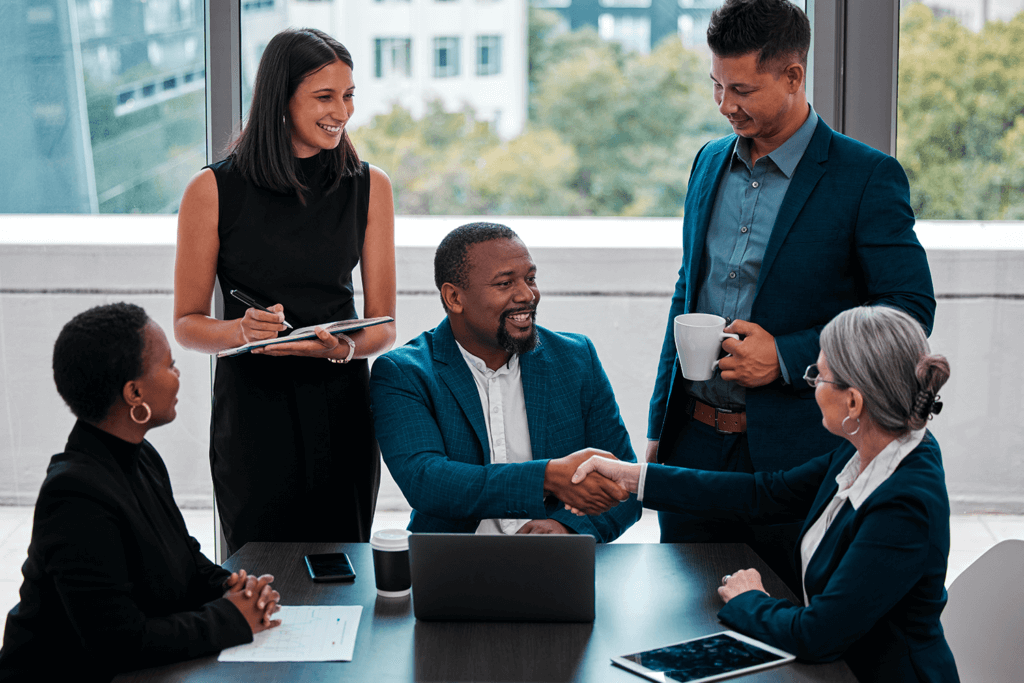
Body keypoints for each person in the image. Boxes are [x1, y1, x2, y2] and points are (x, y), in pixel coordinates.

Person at [646, 0, 935, 588]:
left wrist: (784, 356)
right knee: (681, 614)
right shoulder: (707, 162)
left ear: (793, 76)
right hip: (692, 444)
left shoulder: (866, 177)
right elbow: (686, 294)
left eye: (742, 90)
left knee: (785, 619)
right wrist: (658, 427)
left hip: (798, 455)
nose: (725, 104)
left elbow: (908, 311)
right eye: (717, 85)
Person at [574, 306, 958, 682]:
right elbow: (764, 494)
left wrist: (750, 599)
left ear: (854, 402)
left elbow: (817, 634)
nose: (813, 386)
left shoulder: (903, 505)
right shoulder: (868, 446)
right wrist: (634, 478)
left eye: (819, 376)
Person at [174, 28, 396, 554]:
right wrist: (240, 330)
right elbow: (186, 325)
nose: (341, 112)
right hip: (254, 415)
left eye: (348, 95)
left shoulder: (370, 186)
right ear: (281, 98)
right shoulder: (212, 189)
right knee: (260, 575)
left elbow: (384, 326)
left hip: (340, 409)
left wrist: (341, 348)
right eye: (325, 97)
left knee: (342, 570)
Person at [0, 303, 281, 683]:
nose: (177, 374)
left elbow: (185, 558)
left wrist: (232, 587)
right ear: (134, 392)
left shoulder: (141, 456)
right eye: (169, 365)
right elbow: (119, 643)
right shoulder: (73, 496)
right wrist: (232, 617)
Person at [369, 223, 641, 540]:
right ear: (454, 297)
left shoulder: (576, 359)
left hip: (557, 560)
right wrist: (546, 477)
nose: (527, 295)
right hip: (451, 559)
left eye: (530, 279)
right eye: (505, 283)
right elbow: (426, 480)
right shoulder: (405, 372)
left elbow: (627, 484)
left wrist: (566, 528)